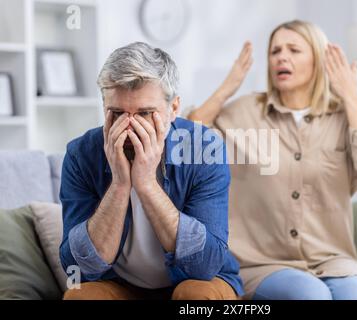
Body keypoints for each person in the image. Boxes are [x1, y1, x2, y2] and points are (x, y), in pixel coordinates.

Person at [188, 20, 357, 300]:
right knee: (312, 295)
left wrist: (351, 95)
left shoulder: (343, 117)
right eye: (275, 51)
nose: (281, 57)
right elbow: (189, 139)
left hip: (333, 260)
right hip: (262, 263)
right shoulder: (246, 112)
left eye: (294, 49)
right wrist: (229, 86)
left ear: (319, 60)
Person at [60, 42, 243, 300]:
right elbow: (77, 268)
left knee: (197, 295)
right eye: (117, 113)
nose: (130, 128)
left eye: (145, 113)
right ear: (103, 108)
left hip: (195, 279)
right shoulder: (81, 154)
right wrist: (120, 185)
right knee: (81, 296)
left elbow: (205, 264)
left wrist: (146, 184)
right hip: (120, 283)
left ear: (174, 109)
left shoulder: (204, 149)